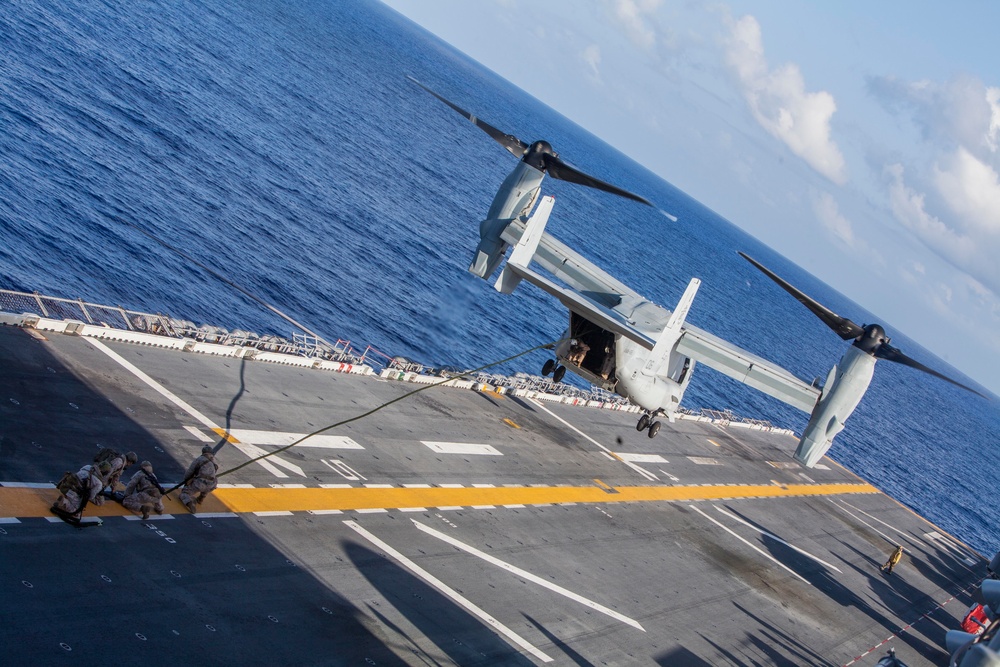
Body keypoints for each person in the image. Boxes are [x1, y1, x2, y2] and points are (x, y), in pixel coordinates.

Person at [179, 446, 219, 513]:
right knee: (208, 486)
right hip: (212, 485)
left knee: (184, 493)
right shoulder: (213, 462)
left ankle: (189, 502)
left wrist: (186, 481)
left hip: (200, 484)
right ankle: (201, 498)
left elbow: (190, 471)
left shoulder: (199, 459)